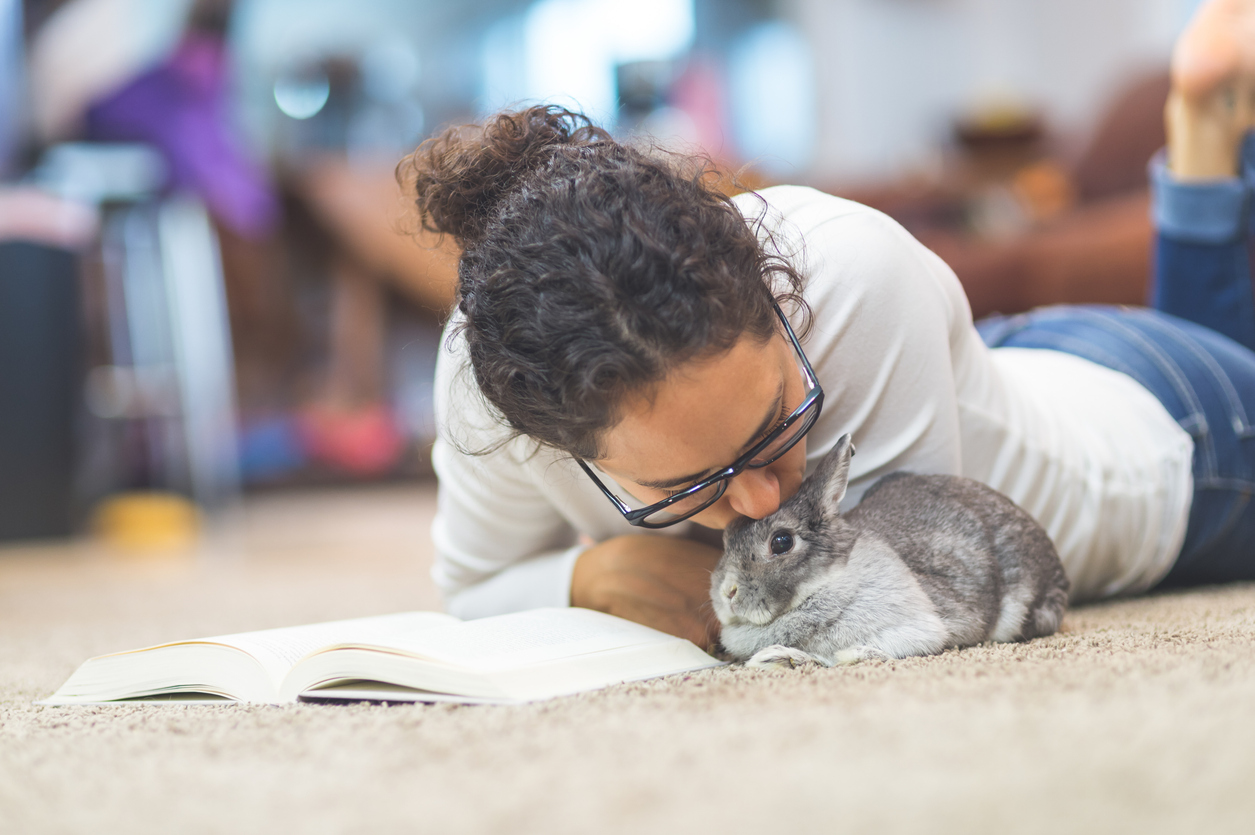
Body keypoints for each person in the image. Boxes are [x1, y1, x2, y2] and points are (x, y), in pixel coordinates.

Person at [407, 0, 1255, 649]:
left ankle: (1205, 145)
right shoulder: (490, 383)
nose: (758, 497)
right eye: (685, 486)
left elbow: (896, 610)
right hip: (1004, 377)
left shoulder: (853, 268)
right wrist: (588, 573)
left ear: (777, 302)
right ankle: (1206, 146)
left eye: (775, 421)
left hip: (1171, 437)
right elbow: (473, 589)